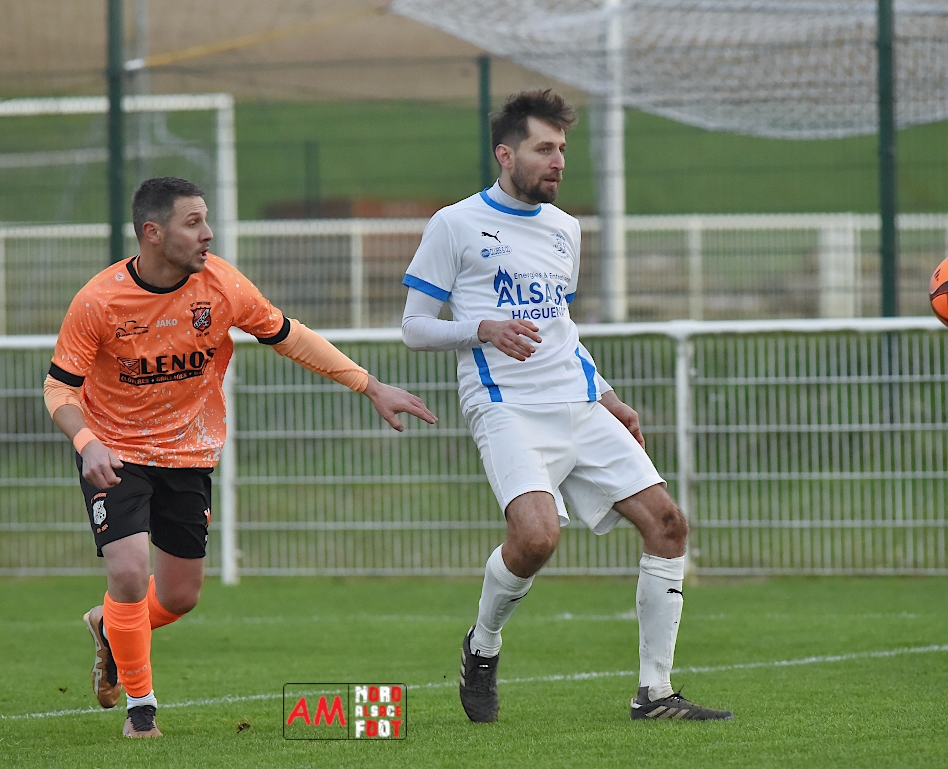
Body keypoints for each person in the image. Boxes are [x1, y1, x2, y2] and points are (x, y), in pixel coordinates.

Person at [44, 176, 436, 738]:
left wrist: (369, 385)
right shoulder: (99, 300)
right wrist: (87, 443)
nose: (208, 233)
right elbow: (59, 389)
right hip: (115, 452)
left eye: (206, 220)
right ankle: (141, 709)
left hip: (189, 454)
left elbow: (290, 336)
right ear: (153, 233)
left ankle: (111, 627)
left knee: (179, 597)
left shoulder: (222, 285)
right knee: (128, 572)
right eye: (193, 223)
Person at [400, 91, 731, 722]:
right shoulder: (455, 224)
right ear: (506, 154)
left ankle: (655, 694)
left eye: (562, 150)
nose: (557, 162)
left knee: (668, 525)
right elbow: (415, 328)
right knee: (535, 538)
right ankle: (483, 644)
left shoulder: (564, 228)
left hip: (579, 402)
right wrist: (482, 328)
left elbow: (561, 330)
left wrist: (608, 396)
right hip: (506, 407)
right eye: (543, 149)